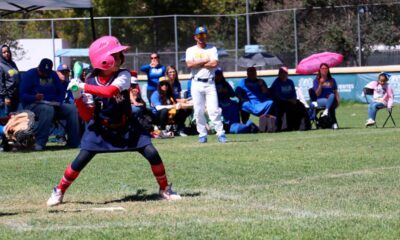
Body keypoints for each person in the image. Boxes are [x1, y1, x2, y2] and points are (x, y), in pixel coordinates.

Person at [46, 36, 181, 207]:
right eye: (115, 55)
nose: (120, 58)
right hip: (101, 128)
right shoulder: (90, 80)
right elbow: (87, 116)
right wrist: (77, 97)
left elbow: (109, 91)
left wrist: (82, 87)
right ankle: (59, 191)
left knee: (152, 153)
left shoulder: (123, 74)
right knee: (80, 159)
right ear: (103, 60)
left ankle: (164, 189)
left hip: (127, 126)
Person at [19, 58, 80, 150]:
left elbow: (61, 91)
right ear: (39, 68)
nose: (45, 74)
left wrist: (58, 101)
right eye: (43, 72)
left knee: (72, 109)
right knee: (47, 109)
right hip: (32, 106)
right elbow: (22, 95)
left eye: (47, 73)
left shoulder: (53, 75)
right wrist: (34, 97)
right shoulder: (29, 75)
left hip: (53, 104)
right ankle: (40, 143)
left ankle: (74, 142)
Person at [185, 25, 227, 143]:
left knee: (214, 110)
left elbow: (214, 64)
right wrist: (204, 60)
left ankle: (220, 133)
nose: (201, 38)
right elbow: (189, 65)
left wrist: (197, 63)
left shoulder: (212, 49)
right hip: (196, 82)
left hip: (209, 83)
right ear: (195, 37)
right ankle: (202, 134)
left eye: (203, 35)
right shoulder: (190, 50)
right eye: (199, 35)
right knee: (198, 111)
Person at [215, 68, 258, 134]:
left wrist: (226, 91)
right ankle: (225, 125)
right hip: (217, 102)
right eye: (217, 75)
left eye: (220, 74)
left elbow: (232, 94)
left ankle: (240, 124)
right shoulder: (211, 84)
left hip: (228, 101)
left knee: (234, 104)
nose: (219, 76)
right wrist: (218, 92)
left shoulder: (225, 83)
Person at [270, 66, 310, 131]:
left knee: (301, 106)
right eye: (282, 73)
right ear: (279, 74)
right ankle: (288, 127)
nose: (284, 75)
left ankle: (303, 126)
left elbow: (293, 93)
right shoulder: (276, 83)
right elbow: (278, 96)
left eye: (285, 73)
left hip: (291, 100)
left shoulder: (290, 82)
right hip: (280, 102)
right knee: (288, 107)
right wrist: (288, 100)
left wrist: (294, 99)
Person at [309, 63, 340, 129]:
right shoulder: (316, 80)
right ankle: (334, 123)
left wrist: (338, 101)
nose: (324, 70)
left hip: (330, 99)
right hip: (320, 100)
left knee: (332, 95)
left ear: (328, 70)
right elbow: (316, 94)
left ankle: (326, 111)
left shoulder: (332, 80)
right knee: (330, 102)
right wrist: (320, 84)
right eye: (322, 68)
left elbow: (336, 92)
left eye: (326, 68)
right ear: (319, 70)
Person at [0, 44, 20, 116]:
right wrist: (6, 97)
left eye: (8, 51)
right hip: (6, 98)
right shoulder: (1, 65)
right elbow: (1, 83)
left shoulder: (12, 64)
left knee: (14, 119)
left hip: (15, 96)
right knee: (5, 118)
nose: (7, 53)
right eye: (4, 52)